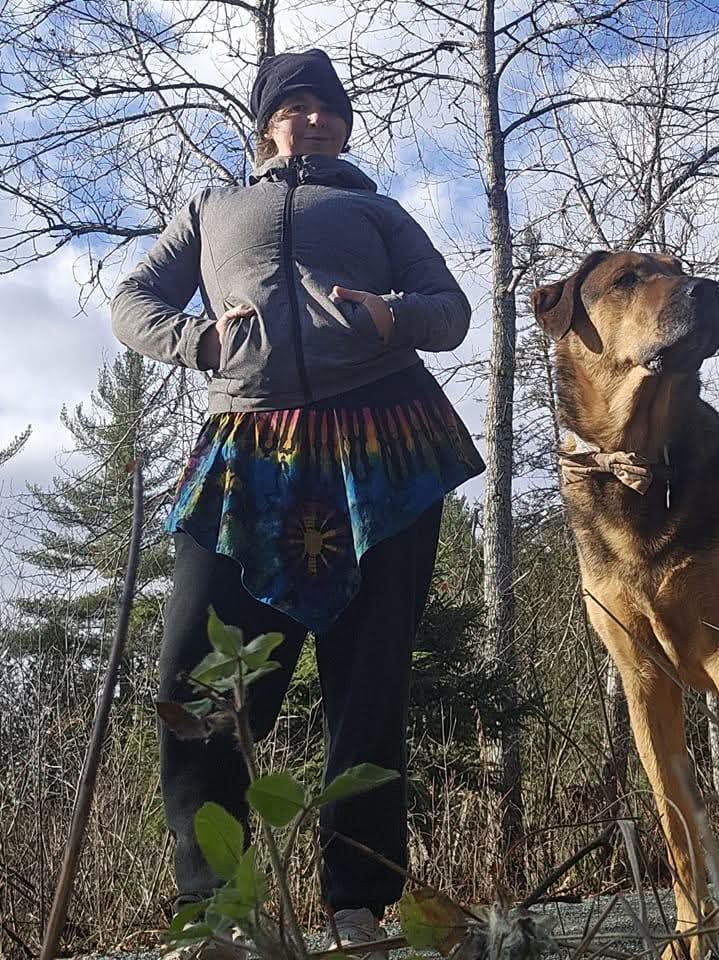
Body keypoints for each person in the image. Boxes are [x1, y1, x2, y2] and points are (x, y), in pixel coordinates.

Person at [111, 48, 484, 957]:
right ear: (265, 125)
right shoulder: (211, 208)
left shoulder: (377, 210)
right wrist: (198, 342)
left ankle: (359, 907)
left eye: (328, 109)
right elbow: (131, 300)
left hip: (381, 445)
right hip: (249, 448)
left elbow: (450, 310)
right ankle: (216, 913)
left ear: (344, 128)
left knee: (369, 683)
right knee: (200, 681)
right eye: (295, 107)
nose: (313, 120)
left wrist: (394, 315)